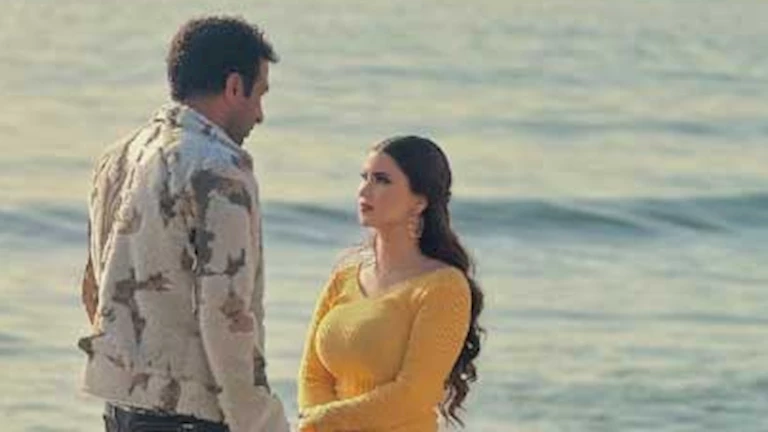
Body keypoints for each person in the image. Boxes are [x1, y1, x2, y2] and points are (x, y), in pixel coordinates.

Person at [77, 16, 289, 432]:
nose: (260, 114)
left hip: (122, 408)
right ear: (234, 86)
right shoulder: (220, 169)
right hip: (191, 415)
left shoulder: (118, 158)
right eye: (260, 93)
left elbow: (94, 286)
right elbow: (225, 314)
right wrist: (262, 420)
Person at [297, 136, 485, 431]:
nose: (364, 190)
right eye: (365, 178)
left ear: (419, 202)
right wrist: (319, 423)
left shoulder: (444, 287)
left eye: (382, 180)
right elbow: (312, 376)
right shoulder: (344, 277)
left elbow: (414, 394)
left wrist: (325, 421)